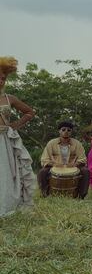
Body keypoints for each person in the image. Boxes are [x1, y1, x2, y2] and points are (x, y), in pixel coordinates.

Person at [0, 56, 36, 217]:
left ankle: (7, 204)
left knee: (7, 173)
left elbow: (29, 112)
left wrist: (14, 125)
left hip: (5, 140)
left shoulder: (9, 98)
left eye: (3, 78)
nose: (1, 81)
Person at [38, 121, 90, 198]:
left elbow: (83, 158)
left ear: (71, 132)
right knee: (42, 172)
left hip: (72, 166)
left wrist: (74, 164)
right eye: (63, 129)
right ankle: (45, 193)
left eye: (69, 130)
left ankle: (82, 195)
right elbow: (44, 159)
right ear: (59, 131)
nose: (66, 132)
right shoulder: (52, 143)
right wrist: (54, 164)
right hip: (55, 166)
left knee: (85, 171)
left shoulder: (77, 143)